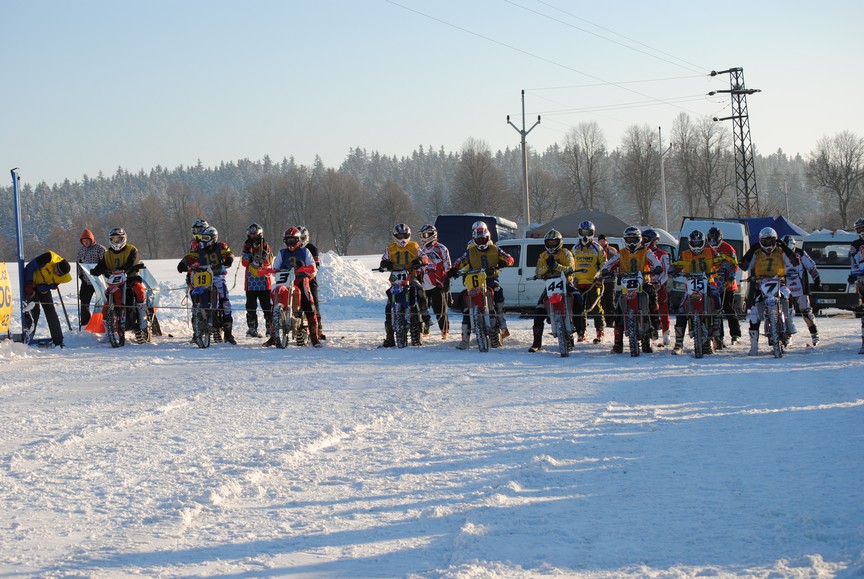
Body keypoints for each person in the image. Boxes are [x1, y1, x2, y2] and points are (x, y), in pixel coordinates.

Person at [448, 220, 515, 350]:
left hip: (490, 278)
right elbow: (459, 261)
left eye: (483, 239)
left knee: (498, 290)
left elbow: (509, 258)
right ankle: (465, 339)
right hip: (475, 280)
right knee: (467, 304)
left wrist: (504, 262)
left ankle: (502, 323)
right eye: (478, 240)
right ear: (474, 240)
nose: (481, 242)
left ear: (488, 237)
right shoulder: (470, 251)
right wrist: (453, 270)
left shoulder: (495, 249)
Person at [600, 226, 663, 354]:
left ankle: (655, 322)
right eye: (629, 239)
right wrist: (606, 270)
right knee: (617, 309)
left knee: (651, 295)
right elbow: (609, 263)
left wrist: (657, 267)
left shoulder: (646, 251)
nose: (632, 242)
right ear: (625, 240)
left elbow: (656, 262)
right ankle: (618, 344)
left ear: (639, 239)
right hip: (625, 283)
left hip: (643, 281)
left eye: (634, 239)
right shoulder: (621, 253)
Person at [738, 227, 798, 356]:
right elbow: (743, 266)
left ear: (775, 240)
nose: (768, 244)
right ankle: (754, 346)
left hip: (779, 282)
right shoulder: (757, 252)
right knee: (754, 312)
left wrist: (785, 247)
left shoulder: (780, 251)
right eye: (765, 241)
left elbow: (795, 262)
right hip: (761, 284)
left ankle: (789, 322)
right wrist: (751, 250)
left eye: (771, 241)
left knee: (788, 295)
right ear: (760, 241)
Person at [176, 225, 237, 344]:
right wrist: (183, 263)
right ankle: (197, 330)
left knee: (225, 302)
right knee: (196, 301)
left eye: (205, 238)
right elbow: (190, 257)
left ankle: (228, 333)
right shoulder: (200, 250)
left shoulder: (221, 246)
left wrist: (229, 259)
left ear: (213, 238)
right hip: (203, 277)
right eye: (202, 238)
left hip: (218, 277)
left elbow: (229, 253)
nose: (203, 240)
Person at [91, 228, 151, 343]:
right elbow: (101, 265)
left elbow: (132, 261)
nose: (116, 241)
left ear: (123, 239)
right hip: (115, 282)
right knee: (107, 303)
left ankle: (143, 323)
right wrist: (96, 270)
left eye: (118, 239)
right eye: (113, 239)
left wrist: (128, 268)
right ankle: (109, 330)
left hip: (130, 278)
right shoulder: (107, 254)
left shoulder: (131, 249)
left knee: (139, 290)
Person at [668, 230, 724, 355]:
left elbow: (719, 260)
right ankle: (678, 343)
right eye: (694, 243)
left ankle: (716, 323)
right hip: (691, 285)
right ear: (690, 243)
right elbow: (676, 264)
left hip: (708, 282)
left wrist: (723, 266)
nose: (697, 246)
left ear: (703, 242)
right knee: (681, 309)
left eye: (699, 243)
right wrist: (673, 269)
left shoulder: (710, 251)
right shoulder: (685, 254)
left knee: (715, 296)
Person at [264, 227, 321, 347]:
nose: (290, 244)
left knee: (308, 303)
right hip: (285, 281)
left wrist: (306, 269)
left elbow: (313, 267)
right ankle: (273, 336)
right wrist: (269, 271)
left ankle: (314, 337)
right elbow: (276, 267)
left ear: (298, 240)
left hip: (300, 279)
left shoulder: (305, 252)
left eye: (293, 240)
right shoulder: (282, 252)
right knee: (273, 304)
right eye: (288, 240)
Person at [528, 229, 583, 352]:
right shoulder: (543, 255)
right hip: (550, 285)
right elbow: (537, 271)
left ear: (560, 242)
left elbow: (570, 267)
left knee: (578, 299)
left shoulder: (566, 253)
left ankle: (579, 327)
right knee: (538, 312)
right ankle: (536, 343)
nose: (552, 245)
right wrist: (547, 265)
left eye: (554, 242)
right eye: (550, 243)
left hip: (566, 283)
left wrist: (556, 266)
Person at [379, 223, 427, 347]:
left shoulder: (414, 246)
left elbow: (425, 258)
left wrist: (420, 261)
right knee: (389, 306)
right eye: (399, 235)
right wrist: (385, 264)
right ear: (395, 236)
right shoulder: (390, 248)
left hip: (411, 275)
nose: (402, 238)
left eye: (404, 235)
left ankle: (425, 315)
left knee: (420, 289)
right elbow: (383, 260)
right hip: (396, 277)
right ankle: (390, 338)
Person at [22, 251, 72, 347]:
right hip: (30, 285)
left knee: (50, 311)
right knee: (34, 311)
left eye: (59, 274)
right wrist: (28, 284)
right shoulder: (48, 258)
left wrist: (44, 287)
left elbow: (53, 284)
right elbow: (30, 267)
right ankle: (27, 338)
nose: (56, 273)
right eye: (57, 269)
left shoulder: (64, 277)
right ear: (56, 264)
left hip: (43, 288)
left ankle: (58, 340)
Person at [570, 220, 607, 344]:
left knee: (596, 307)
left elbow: (604, 265)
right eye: (583, 232)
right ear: (579, 232)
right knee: (579, 308)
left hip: (593, 283)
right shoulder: (575, 248)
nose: (585, 235)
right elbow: (571, 265)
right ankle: (582, 331)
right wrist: (571, 278)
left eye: (588, 232)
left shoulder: (598, 248)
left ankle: (599, 331)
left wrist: (600, 277)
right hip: (578, 283)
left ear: (592, 233)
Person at [782, 235, 822, 347]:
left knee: (806, 311)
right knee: (786, 312)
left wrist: (817, 279)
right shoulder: (779, 254)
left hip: (801, 287)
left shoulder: (801, 253)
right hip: (785, 287)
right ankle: (787, 335)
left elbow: (811, 267)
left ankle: (815, 334)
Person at [706, 226, 742, 346]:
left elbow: (734, 265)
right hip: (713, 282)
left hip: (727, 284)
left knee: (728, 308)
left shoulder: (728, 248)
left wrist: (731, 278)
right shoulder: (707, 248)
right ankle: (718, 336)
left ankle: (735, 334)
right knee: (716, 310)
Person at [418, 223, 451, 339]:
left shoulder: (441, 248)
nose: (423, 237)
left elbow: (448, 266)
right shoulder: (421, 250)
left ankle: (444, 330)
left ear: (432, 234)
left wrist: (447, 280)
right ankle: (425, 329)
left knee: (440, 308)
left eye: (425, 234)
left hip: (437, 283)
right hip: (423, 282)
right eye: (422, 235)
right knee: (423, 308)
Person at [241, 223, 274, 338]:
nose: (253, 238)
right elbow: (244, 263)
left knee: (266, 306)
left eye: (255, 235)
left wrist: (264, 254)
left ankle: (270, 328)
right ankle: (252, 328)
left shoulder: (265, 245)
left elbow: (269, 262)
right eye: (251, 235)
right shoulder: (246, 246)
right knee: (250, 306)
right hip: (251, 282)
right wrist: (249, 252)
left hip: (264, 281)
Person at [642, 228, 671, 345]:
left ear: (654, 240)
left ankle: (666, 333)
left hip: (660, 285)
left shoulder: (663, 254)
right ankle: (651, 331)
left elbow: (666, 271)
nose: (643, 241)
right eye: (642, 238)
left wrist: (658, 283)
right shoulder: (641, 252)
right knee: (646, 308)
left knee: (663, 308)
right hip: (646, 284)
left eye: (646, 239)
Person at [298, 226, 326, 340]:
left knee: (314, 301)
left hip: (310, 279)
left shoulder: (312, 248)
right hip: (295, 279)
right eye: (298, 238)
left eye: (302, 238)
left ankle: (318, 329)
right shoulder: (293, 249)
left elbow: (316, 264)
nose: (300, 240)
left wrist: (309, 271)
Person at [76, 228, 105, 327]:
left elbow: (105, 262)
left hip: (98, 280)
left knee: (101, 302)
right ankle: (85, 323)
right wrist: (80, 275)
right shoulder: (81, 250)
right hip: (86, 281)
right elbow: (79, 263)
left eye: (88, 240)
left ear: (92, 239)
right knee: (84, 302)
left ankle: (101, 322)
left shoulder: (100, 249)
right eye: (84, 241)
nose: (86, 242)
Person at [849, 217, 864, 354]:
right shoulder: (855, 244)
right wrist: (851, 274)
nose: (861, 231)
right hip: (862, 277)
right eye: (859, 229)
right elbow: (853, 262)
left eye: (862, 228)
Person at [597, 233, 618, 329]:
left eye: (603, 240)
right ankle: (605, 319)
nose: (602, 242)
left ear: (606, 241)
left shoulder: (612, 250)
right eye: (600, 240)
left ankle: (612, 320)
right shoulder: (597, 249)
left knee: (611, 300)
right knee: (602, 300)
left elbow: (616, 262)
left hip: (610, 279)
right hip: (600, 279)